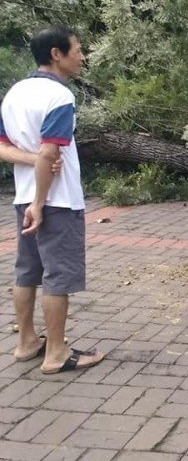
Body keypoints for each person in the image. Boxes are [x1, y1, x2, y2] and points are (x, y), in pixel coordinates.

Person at [0, 26, 104, 373]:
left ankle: (27, 341)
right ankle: (56, 352)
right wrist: (41, 204)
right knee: (58, 275)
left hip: (23, 196)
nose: (82, 56)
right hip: (54, 201)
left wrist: (31, 171)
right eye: (77, 49)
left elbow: (5, 149)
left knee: (27, 270)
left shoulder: (14, 93)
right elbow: (49, 153)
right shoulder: (59, 97)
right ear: (56, 54)